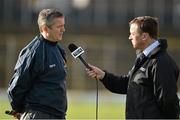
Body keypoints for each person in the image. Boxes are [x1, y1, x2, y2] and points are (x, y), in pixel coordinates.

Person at [86, 16, 180, 119]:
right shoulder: (144, 58)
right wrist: (103, 76)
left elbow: (169, 103)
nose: (129, 37)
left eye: (132, 34)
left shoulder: (161, 62)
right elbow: (127, 84)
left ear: (144, 36)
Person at [7, 8, 67, 119]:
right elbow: (17, 87)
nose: (63, 29)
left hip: (58, 115)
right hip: (38, 115)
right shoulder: (33, 52)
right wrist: (18, 109)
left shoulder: (59, 50)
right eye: (59, 27)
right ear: (45, 29)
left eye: (63, 25)